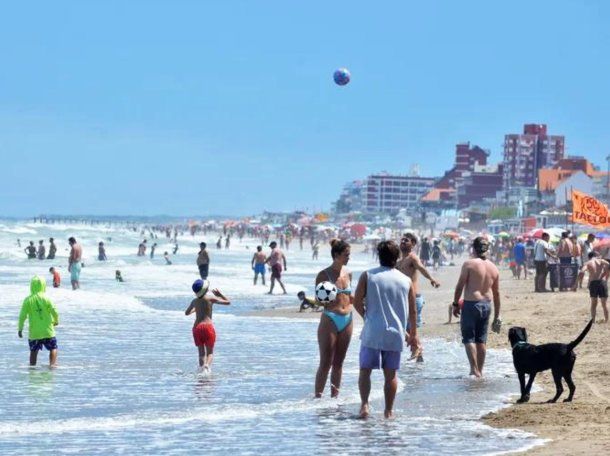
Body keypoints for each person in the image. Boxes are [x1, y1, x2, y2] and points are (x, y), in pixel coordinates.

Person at [354, 240, 418, 419]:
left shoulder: (368, 275)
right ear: (397, 258)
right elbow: (412, 311)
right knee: (391, 375)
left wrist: (367, 316)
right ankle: (388, 411)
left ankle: (365, 405)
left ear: (378, 256)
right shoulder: (405, 280)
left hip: (372, 331)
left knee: (365, 370)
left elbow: (357, 301)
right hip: (395, 333)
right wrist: (413, 335)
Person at [452, 237, 501, 378]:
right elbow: (497, 294)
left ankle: (474, 370)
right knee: (481, 340)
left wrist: (455, 304)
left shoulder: (469, 264)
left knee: (469, 338)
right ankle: (480, 370)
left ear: (473, 248)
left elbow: (460, 286)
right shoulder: (493, 267)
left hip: (471, 304)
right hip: (487, 305)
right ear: (487, 249)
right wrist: (497, 315)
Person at [314, 239, 353, 398]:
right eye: (346, 255)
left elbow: (350, 296)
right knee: (326, 363)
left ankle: (334, 398)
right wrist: (326, 297)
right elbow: (317, 301)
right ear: (336, 255)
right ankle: (318, 398)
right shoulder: (324, 275)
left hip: (348, 319)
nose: (348, 257)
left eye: (349, 254)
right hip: (330, 318)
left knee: (339, 363)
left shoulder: (349, 273)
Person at [396, 232, 440, 362]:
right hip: (402, 298)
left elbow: (422, 268)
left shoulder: (412, 258)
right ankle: (418, 353)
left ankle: (417, 348)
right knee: (406, 328)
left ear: (413, 244)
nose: (403, 242)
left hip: (413, 298)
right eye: (402, 240)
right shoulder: (398, 260)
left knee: (404, 327)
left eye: (406, 240)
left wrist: (432, 279)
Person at [185, 280, 231, 372]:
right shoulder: (210, 298)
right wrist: (220, 294)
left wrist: (196, 310)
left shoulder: (194, 301)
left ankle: (202, 370)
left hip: (197, 328)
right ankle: (207, 366)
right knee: (210, 352)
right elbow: (228, 302)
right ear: (205, 289)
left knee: (201, 353)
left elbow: (187, 313)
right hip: (208, 327)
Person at [18, 276, 59, 367]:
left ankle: (32, 369)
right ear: (43, 285)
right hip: (47, 330)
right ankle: (52, 366)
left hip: (34, 332)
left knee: (33, 351)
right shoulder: (47, 298)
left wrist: (20, 329)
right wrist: (56, 320)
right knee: (53, 348)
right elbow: (54, 311)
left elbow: (22, 316)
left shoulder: (27, 300)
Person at [573, 251, 609, 323]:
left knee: (593, 303)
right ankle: (606, 320)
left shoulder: (588, 263)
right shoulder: (601, 261)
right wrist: (605, 274)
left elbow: (581, 272)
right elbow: (609, 265)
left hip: (593, 283)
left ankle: (593, 320)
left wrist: (576, 284)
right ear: (596, 256)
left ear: (589, 257)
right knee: (604, 304)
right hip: (602, 282)